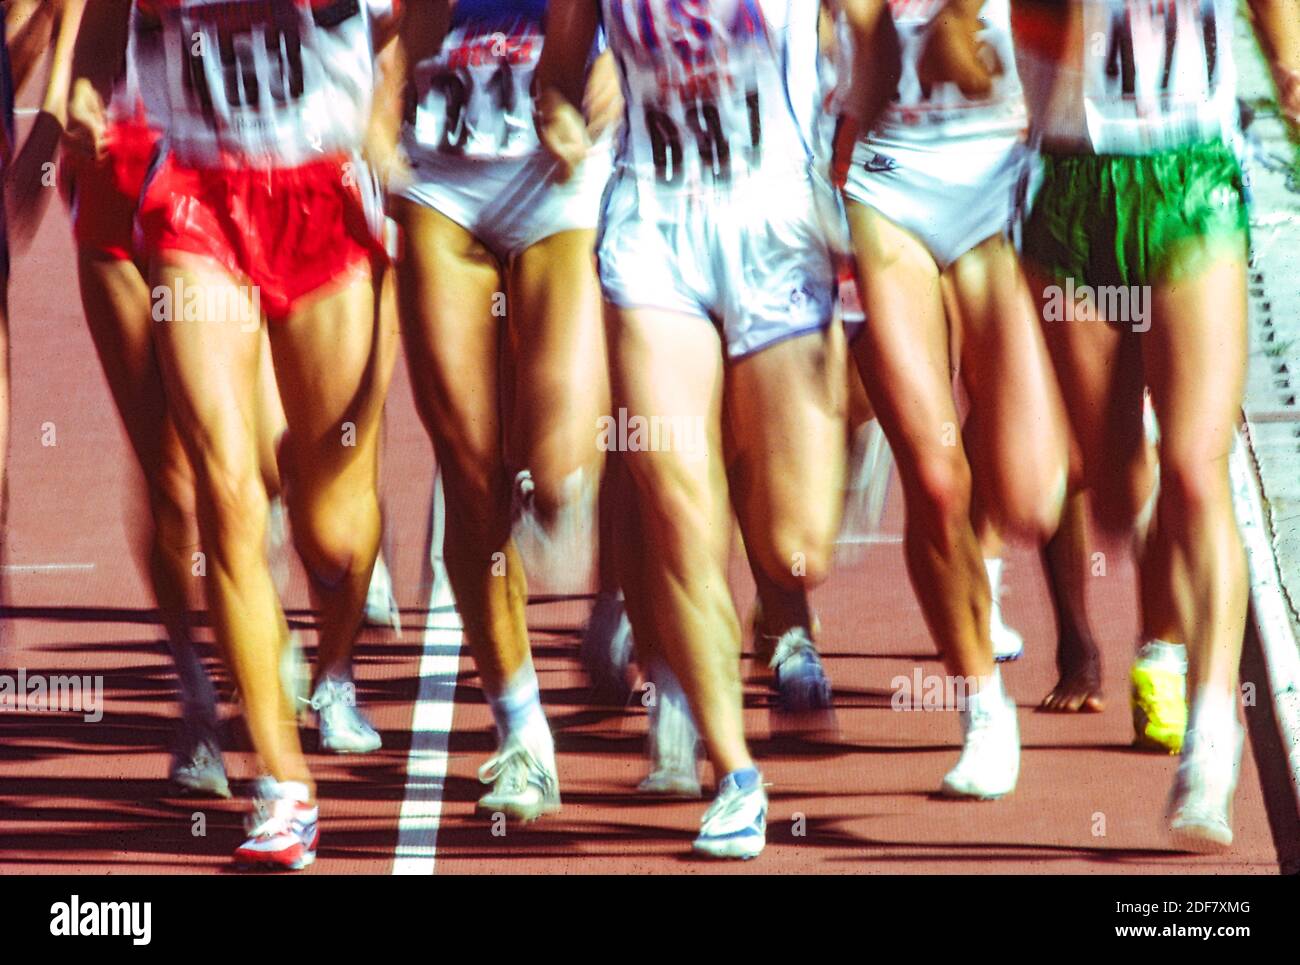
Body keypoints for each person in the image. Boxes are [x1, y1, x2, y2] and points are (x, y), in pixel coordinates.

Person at [536, 0, 900, 858]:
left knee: (793, 545)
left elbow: (872, 30)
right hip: (653, 232)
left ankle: (833, 433)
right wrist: (559, 116)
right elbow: (558, 70)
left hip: (773, 224)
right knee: (675, 503)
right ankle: (736, 774)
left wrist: (851, 136)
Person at [67, 0, 401, 870]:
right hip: (200, 201)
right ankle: (282, 787)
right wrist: (81, 96)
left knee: (330, 521)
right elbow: (103, 35)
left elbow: (408, 26)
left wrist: (387, 115)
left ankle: (333, 638)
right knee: (225, 491)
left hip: (320, 187)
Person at [931, 0, 1252, 846]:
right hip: (1072, 186)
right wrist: (968, 46)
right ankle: (1146, 538)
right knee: (1115, 491)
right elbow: (969, 38)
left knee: (1195, 464)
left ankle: (1213, 735)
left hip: (1193, 176)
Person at [386, 0, 616, 821]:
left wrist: (609, 85)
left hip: (558, 177)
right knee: (471, 475)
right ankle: (522, 730)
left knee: (554, 473)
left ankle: (621, 570)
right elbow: (382, 33)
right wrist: (378, 134)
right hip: (444, 184)